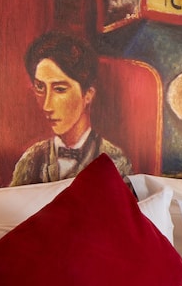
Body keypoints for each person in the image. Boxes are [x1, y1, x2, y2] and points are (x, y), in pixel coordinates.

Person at [10, 31, 132, 186]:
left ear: (88, 95)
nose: (47, 106)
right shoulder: (31, 159)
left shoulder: (115, 161)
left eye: (60, 89)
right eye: (40, 87)